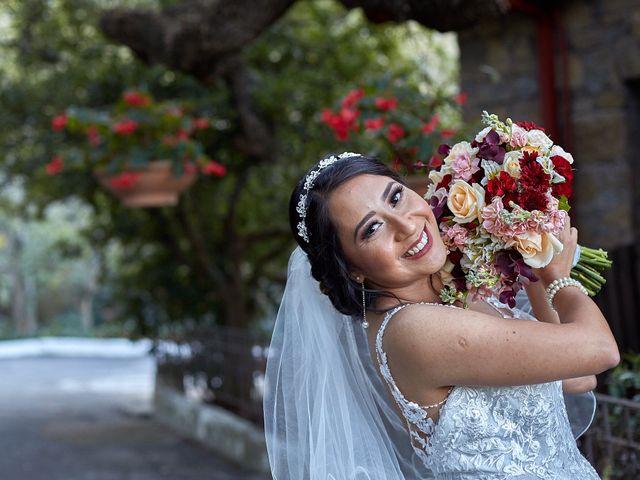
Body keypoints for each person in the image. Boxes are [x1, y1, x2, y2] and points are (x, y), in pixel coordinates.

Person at [263, 153, 619, 479]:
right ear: (351, 268)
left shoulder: (450, 297)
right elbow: (601, 350)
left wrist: (535, 257)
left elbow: (577, 377)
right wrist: (559, 276)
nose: (405, 225)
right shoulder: (416, 330)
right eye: (372, 229)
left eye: (396, 197)